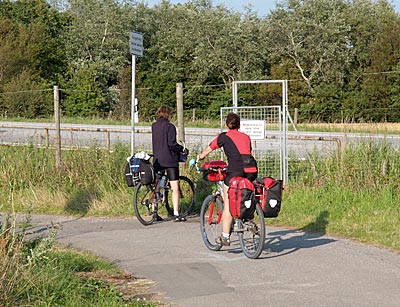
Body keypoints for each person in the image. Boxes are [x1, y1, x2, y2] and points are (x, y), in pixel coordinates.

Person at [197, 112, 258, 245]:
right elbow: (249, 153)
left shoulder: (223, 136)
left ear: (226, 124)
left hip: (235, 170)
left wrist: (200, 157)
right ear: (239, 125)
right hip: (252, 170)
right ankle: (247, 217)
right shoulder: (246, 137)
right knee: (244, 194)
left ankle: (225, 236)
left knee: (229, 202)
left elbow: (209, 148)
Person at [152, 105, 187, 222]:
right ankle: (176, 213)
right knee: (174, 187)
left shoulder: (154, 126)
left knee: (156, 186)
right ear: (168, 114)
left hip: (157, 160)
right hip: (170, 161)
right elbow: (172, 144)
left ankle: (154, 212)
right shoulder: (170, 127)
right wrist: (181, 148)